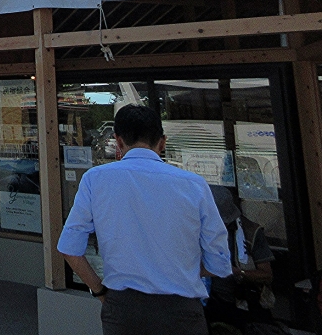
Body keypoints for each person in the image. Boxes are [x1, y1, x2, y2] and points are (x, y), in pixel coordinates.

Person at [57, 104, 231, 335]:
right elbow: (219, 260)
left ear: (118, 142)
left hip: (123, 309)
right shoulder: (194, 185)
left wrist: (99, 291)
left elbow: (70, 249)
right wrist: (178, 268)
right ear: (163, 142)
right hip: (181, 310)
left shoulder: (95, 180)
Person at [204, 185, 275, 331]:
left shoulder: (250, 231)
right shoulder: (199, 230)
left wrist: (238, 273)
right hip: (208, 300)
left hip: (241, 303)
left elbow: (267, 275)